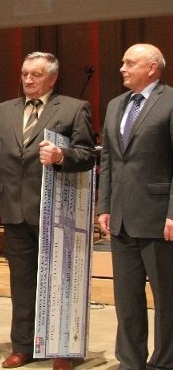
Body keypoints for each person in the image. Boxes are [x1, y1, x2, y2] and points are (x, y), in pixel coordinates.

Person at [0, 52, 96, 370]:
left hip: (57, 213)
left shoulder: (74, 108)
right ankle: (23, 346)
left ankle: (63, 348)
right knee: (21, 283)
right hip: (16, 211)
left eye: (35, 74)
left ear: (52, 78)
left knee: (60, 281)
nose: (28, 80)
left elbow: (87, 154)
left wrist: (62, 156)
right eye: (24, 74)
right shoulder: (3, 110)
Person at [97, 43, 173, 370]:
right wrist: (104, 205)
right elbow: (110, 160)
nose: (122, 68)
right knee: (127, 300)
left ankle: (165, 362)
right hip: (121, 218)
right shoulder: (116, 105)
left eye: (130, 63)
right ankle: (130, 362)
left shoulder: (170, 101)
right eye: (122, 62)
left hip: (159, 218)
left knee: (167, 300)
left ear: (152, 68)